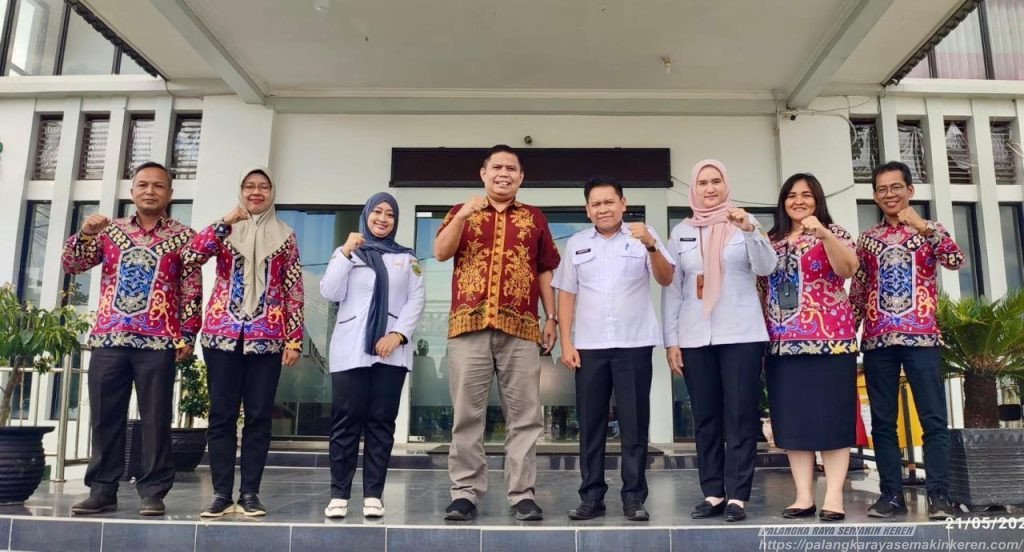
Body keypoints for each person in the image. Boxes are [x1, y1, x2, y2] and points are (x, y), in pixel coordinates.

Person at [62, 161, 202, 516]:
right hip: (109, 338)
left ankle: (153, 491)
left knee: (156, 418)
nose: (150, 191)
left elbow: (191, 289)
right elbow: (72, 265)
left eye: (158, 185)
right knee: (105, 417)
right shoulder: (109, 231)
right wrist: (85, 234)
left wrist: (188, 333)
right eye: (143, 185)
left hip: (159, 341)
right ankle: (102, 489)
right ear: (132, 191)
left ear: (170, 193)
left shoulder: (185, 237)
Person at [433, 144, 561, 521]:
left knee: (525, 415)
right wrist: (462, 216)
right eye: (497, 167)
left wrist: (551, 317)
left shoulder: (535, 218)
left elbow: (545, 269)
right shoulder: (461, 211)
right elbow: (440, 252)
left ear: (521, 177)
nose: (504, 173)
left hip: (521, 328)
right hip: (468, 326)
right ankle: (465, 493)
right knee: (466, 415)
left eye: (511, 168)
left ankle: (522, 494)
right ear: (483, 173)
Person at [553, 177, 674, 522]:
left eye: (609, 202)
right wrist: (566, 342)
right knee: (591, 425)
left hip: (634, 344)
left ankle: (634, 497)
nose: (603, 209)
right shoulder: (577, 244)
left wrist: (651, 245)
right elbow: (567, 294)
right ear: (587, 209)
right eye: (596, 203)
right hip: (589, 347)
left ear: (623, 203)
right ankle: (591, 496)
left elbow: (666, 278)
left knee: (634, 425)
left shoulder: (642, 236)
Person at [185, 167, 304, 517]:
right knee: (221, 416)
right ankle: (221, 494)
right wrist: (225, 222)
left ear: (272, 192)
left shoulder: (285, 235)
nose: (256, 192)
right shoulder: (224, 230)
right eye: (250, 186)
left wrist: (294, 339)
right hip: (222, 335)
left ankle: (250, 492)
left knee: (258, 417)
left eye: (263, 186)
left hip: (267, 337)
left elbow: (293, 287)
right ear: (241, 191)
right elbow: (192, 256)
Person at [662, 159, 776, 522]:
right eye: (703, 182)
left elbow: (766, 267)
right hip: (696, 334)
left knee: (740, 414)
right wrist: (671, 340)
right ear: (693, 189)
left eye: (715, 181)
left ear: (726, 185)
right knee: (706, 416)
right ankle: (713, 492)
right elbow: (674, 289)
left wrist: (749, 230)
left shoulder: (745, 222)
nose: (710, 188)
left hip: (740, 332)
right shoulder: (681, 231)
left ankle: (738, 495)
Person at [850, 161, 964, 520]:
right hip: (878, 340)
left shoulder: (931, 230)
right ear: (875, 196)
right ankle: (891, 495)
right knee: (883, 421)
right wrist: (848, 335)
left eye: (896, 187)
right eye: (882, 189)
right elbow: (859, 289)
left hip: (922, 337)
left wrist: (924, 227)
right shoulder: (867, 239)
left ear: (910, 190)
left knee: (933, 418)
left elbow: (955, 259)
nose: (889, 195)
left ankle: (939, 496)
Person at [320, 192, 425, 519]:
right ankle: (339, 495)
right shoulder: (348, 253)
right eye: (377, 212)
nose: (383, 218)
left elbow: (416, 300)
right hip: (350, 350)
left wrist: (397, 335)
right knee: (346, 422)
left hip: (390, 352)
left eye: (389, 214)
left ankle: (373, 495)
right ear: (366, 215)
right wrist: (345, 252)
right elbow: (330, 291)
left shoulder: (407, 259)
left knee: (381, 423)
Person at [762, 173, 860, 522]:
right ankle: (803, 496)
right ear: (783, 202)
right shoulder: (771, 241)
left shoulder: (836, 233)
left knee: (832, 419)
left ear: (818, 200)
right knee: (794, 423)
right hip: (782, 345)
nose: (798, 201)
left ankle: (833, 496)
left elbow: (848, 269)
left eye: (806, 195)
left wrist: (825, 235)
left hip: (830, 342)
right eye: (791, 195)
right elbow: (760, 288)